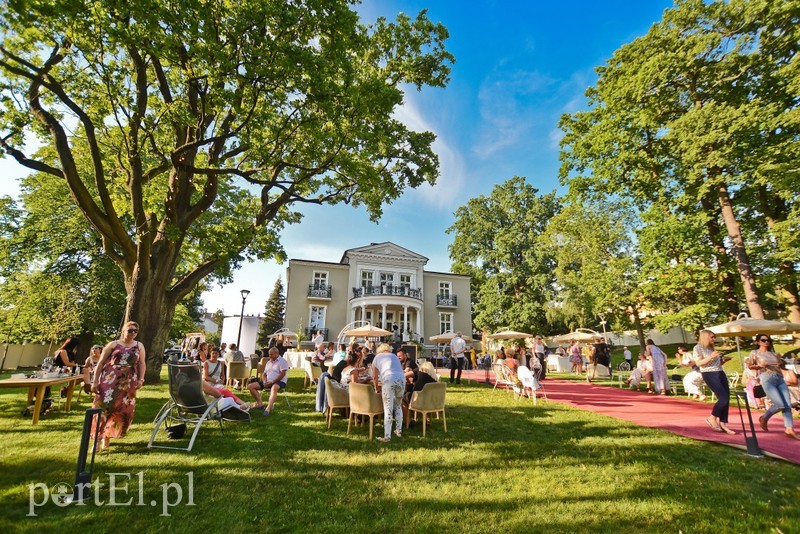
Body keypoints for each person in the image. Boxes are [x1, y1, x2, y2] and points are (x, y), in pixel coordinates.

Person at [90, 321, 146, 450]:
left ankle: (107, 436)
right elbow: (101, 363)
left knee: (121, 410)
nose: (133, 333)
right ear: (123, 331)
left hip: (128, 383)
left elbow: (142, 363)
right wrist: (95, 381)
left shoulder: (139, 346)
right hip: (110, 380)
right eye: (130, 330)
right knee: (103, 408)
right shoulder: (113, 344)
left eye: (135, 331)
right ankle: (97, 439)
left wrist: (141, 379)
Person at [748, 335, 799, 440]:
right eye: (763, 340)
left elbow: (781, 366)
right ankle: (764, 418)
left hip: (779, 378)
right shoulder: (755, 353)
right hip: (766, 377)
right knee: (780, 405)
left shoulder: (774, 354)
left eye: (768, 340)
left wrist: (784, 363)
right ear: (758, 342)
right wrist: (759, 366)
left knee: (787, 404)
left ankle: (789, 429)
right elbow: (750, 366)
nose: (766, 342)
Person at [694, 329, 734, 434]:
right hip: (709, 374)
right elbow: (699, 363)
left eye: (714, 336)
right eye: (712, 337)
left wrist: (722, 361)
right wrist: (711, 357)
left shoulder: (711, 348)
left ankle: (723, 422)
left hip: (719, 372)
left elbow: (715, 364)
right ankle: (712, 418)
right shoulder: (698, 348)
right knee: (723, 398)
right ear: (705, 337)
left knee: (727, 398)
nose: (714, 339)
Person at [371, 343, 405, 442]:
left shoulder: (377, 357)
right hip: (401, 379)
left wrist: (376, 388)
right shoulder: (394, 356)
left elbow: (374, 376)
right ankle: (398, 431)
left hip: (388, 379)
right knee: (398, 406)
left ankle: (387, 436)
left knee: (388, 408)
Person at [248, 347, 288, 416]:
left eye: (271, 354)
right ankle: (260, 403)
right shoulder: (268, 362)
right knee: (251, 386)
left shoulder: (282, 361)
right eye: (269, 354)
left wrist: (272, 382)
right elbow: (264, 374)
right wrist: (264, 382)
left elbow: (282, 374)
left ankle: (268, 408)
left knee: (274, 388)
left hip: (280, 381)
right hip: (268, 381)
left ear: (277, 353)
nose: (269, 356)